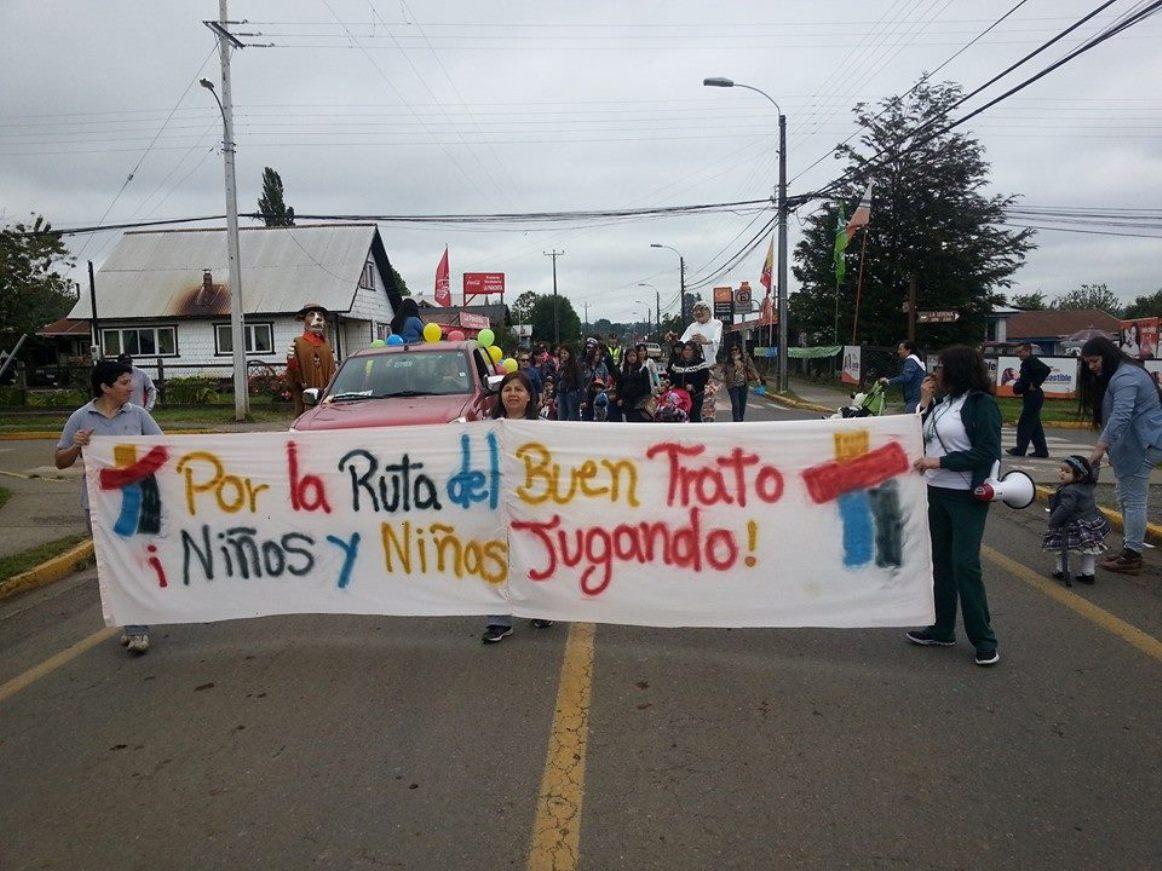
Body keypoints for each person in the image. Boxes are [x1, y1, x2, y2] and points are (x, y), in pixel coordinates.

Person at [56, 359, 163, 655]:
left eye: (131, 382)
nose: (132, 388)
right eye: (125, 383)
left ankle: (137, 629)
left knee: (132, 562)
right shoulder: (81, 418)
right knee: (113, 566)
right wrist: (77, 446)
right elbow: (60, 460)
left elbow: (162, 450)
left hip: (135, 502)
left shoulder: (138, 416)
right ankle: (129, 622)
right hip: (98, 506)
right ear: (105, 387)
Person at [908, 345, 1002, 667]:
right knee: (942, 564)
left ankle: (984, 639)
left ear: (958, 369)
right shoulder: (944, 404)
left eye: (942, 366)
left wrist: (941, 461)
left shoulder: (981, 404)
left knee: (965, 565)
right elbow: (919, 435)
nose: (937, 372)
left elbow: (987, 452)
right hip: (937, 493)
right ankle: (942, 629)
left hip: (965, 496)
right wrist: (923, 401)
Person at [1079, 336, 1162, 575]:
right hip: (1138, 444)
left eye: (1094, 361)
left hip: (1144, 443)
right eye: (1087, 363)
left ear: (1107, 355)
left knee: (1133, 499)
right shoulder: (1125, 373)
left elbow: (1121, 416)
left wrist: (1100, 447)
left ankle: (1133, 555)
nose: (1091, 366)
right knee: (1126, 496)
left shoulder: (1126, 377)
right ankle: (1130, 548)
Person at [482, 370, 554, 644]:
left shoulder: (542, 426)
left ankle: (539, 609)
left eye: (519, 389)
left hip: (532, 504)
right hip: (497, 503)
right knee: (498, 558)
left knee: (534, 556)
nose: (512, 394)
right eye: (507, 389)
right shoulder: (487, 426)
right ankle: (499, 620)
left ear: (529, 397)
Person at [1042, 455, 1111, 585]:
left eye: (1067, 472)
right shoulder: (1088, 485)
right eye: (1062, 470)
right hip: (1089, 523)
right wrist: (1095, 464)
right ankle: (1088, 573)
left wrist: (1053, 521)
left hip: (1071, 524)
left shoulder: (1070, 491)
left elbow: (1065, 508)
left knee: (1061, 547)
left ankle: (1062, 570)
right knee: (1088, 548)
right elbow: (1094, 474)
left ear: (1079, 476)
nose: (1062, 473)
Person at [286, 303, 337, 416]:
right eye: (311, 315)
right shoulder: (299, 342)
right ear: (303, 320)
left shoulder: (326, 343)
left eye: (320, 315)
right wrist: (291, 361)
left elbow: (332, 368)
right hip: (307, 393)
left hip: (325, 392)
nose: (318, 318)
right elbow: (294, 375)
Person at [1007, 343, 1051, 458]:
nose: (1018, 355)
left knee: (1025, 423)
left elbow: (1045, 369)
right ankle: (1041, 451)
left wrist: (1035, 384)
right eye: (1017, 352)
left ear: (1028, 351)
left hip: (1034, 395)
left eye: (1020, 352)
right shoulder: (1026, 363)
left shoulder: (1032, 361)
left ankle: (1020, 449)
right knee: (1035, 425)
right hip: (1030, 395)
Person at [668, 340, 710, 422]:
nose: (686, 352)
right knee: (680, 416)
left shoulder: (701, 363)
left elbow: (704, 378)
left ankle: (696, 433)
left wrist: (693, 386)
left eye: (689, 350)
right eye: (685, 350)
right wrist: (667, 382)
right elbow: (671, 377)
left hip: (695, 395)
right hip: (680, 396)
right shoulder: (677, 363)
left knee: (694, 416)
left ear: (694, 351)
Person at [879, 340, 924, 414]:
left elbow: (905, 377)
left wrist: (889, 381)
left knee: (910, 422)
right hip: (916, 397)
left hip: (914, 398)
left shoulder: (911, 361)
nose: (898, 351)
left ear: (908, 350)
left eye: (900, 349)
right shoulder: (915, 360)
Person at [722, 344, 760, 421]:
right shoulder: (728, 360)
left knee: (742, 405)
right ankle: (736, 422)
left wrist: (757, 378)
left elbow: (752, 368)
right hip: (732, 386)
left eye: (736, 349)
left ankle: (740, 420)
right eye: (732, 350)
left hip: (743, 385)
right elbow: (723, 371)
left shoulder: (745, 358)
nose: (734, 351)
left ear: (739, 349)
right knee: (736, 405)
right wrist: (722, 377)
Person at [680, 301, 723, 371]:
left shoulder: (717, 324)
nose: (698, 312)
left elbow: (716, 340)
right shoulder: (692, 326)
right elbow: (683, 342)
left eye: (701, 309)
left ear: (708, 311)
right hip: (694, 366)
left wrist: (706, 341)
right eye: (695, 310)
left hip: (712, 366)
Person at [617, 347, 653, 423]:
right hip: (626, 400)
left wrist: (646, 401)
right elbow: (619, 385)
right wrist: (619, 398)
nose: (632, 358)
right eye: (630, 356)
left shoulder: (642, 369)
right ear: (626, 357)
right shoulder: (622, 369)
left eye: (634, 356)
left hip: (639, 401)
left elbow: (647, 386)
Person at [555, 345, 583, 421]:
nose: (563, 355)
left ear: (570, 354)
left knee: (573, 418)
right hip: (561, 394)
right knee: (561, 418)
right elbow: (557, 381)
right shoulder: (561, 366)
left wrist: (582, 397)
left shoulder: (575, 366)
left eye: (565, 353)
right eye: (561, 353)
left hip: (571, 394)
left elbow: (580, 382)